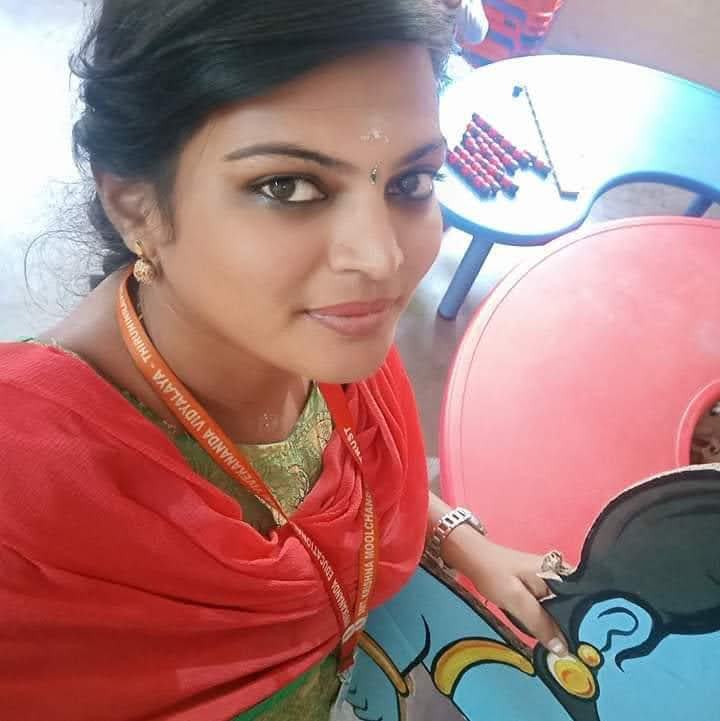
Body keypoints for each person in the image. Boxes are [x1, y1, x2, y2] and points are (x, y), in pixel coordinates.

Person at [0, 2, 564, 719]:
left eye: (411, 182)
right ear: (136, 207)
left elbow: (353, 486)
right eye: (287, 187)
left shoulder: (331, 345)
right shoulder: (22, 496)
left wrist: (456, 537)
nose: (381, 258)